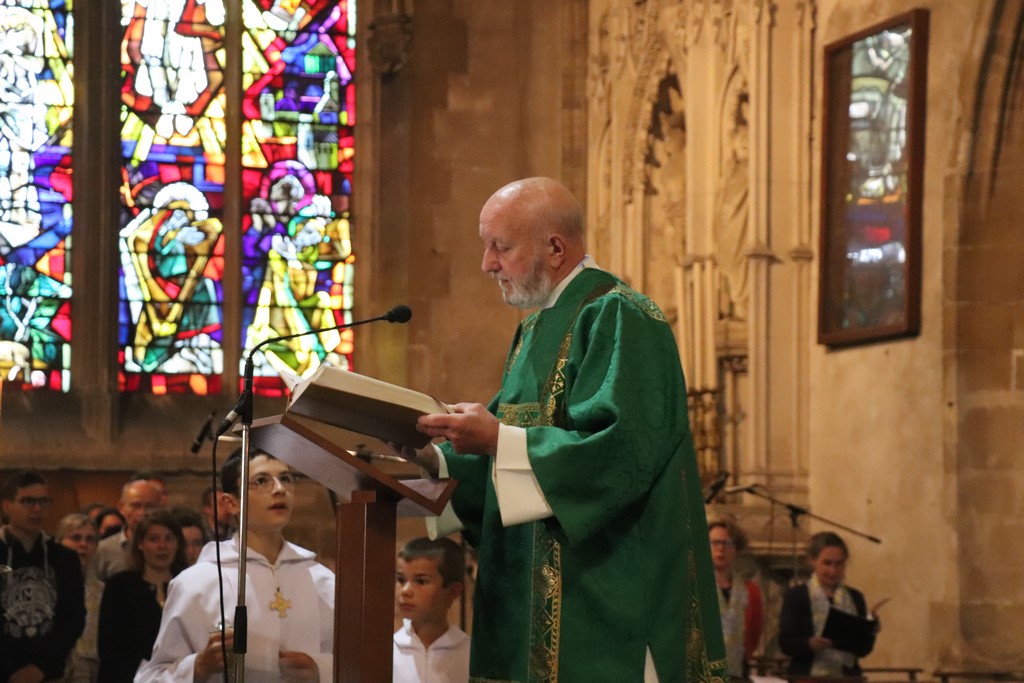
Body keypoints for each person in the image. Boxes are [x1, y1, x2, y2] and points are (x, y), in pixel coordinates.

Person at [394, 177, 726, 682]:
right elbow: (506, 452)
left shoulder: (621, 315)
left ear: (554, 248)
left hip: (602, 603)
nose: (487, 264)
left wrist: (496, 438)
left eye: (501, 247)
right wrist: (432, 457)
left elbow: (621, 454)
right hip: (527, 602)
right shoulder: (533, 329)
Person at [136, 449, 335, 682]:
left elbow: (358, 666)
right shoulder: (196, 583)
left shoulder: (323, 581)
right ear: (231, 502)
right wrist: (198, 667)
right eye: (262, 481)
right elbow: (151, 677)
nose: (279, 489)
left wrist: (321, 670)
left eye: (285, 478)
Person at [0, 470, 86, 683]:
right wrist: (10, 670)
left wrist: (40, 667)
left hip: (48, 674)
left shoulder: (64, 558)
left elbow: (73, 618)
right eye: (28, 501)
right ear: (7, 506)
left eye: (43, 501)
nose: (37, 509)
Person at [97, 509, 186, 683]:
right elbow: (109, 647)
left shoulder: (188, 585)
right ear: (140, 543)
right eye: (154, 539)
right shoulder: (119, 586)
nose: (162, 546)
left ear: (177, 544)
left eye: (169, 538)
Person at [779, 531, 879, 676]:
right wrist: (809, 644)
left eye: (839, 564)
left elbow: (863, 650)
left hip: (846, 677)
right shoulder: (797, 596)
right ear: (813, 561)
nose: (833, 571)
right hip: (807, 676)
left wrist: (870, 631)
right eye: (827, 563)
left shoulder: (855, 597)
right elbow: (786, 643)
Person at [393, 537, 470, 683]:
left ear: (453, 591)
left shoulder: (469, 654)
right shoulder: (387, 650)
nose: (405, 591)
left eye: (421, 581)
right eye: (401, 580)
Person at [708, 518, 763, 679]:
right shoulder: (695, 586)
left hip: (737, 671)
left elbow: (754, 633)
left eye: (728, 543)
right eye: (715, 542)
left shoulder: (750, 590)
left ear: (736, 548)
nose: (721, 548)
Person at [55, 513, 103, 683]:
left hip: (94, 667)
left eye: (90, 539)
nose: (83, 544)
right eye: (76, 538)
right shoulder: (49, 587)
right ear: (59, 542)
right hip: (57, 666)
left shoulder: (102, 591)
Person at [94, 479, 162, 580]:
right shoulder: (103, 550)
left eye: (150, 507)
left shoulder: (168, 548)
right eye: (136, 506)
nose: (142, 512)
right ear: (121, 507)